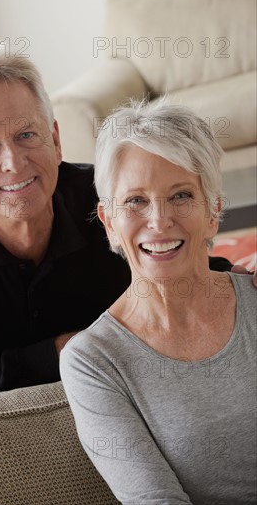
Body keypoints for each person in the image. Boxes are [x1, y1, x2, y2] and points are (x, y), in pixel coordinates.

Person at [0, 45, 250, 421]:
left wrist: (238, 275)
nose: (14, 162)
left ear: (56, 140)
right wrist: (63, 351)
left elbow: (169, 252)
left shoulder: (99, 197)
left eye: (27, 135)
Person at [60, 98, 256, 504]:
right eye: (135, 201)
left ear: (214, 210)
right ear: (109, 222)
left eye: (181, 195)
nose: (159, 221)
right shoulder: (93, 360)